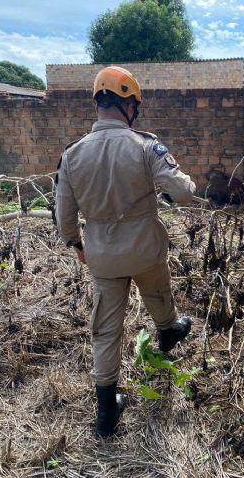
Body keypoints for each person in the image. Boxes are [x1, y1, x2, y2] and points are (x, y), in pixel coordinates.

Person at [55, 66, 196, 437]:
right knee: (157, 290)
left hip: (102, 255)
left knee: (105, 328)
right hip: (146, 248)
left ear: (99, 104)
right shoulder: (146, 146)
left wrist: (77, 245)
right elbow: (183, 192)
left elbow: (64, 217)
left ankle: (106, 410)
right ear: (128, 104)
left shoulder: (72, 155)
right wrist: (173, 186)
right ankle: (168, 332)